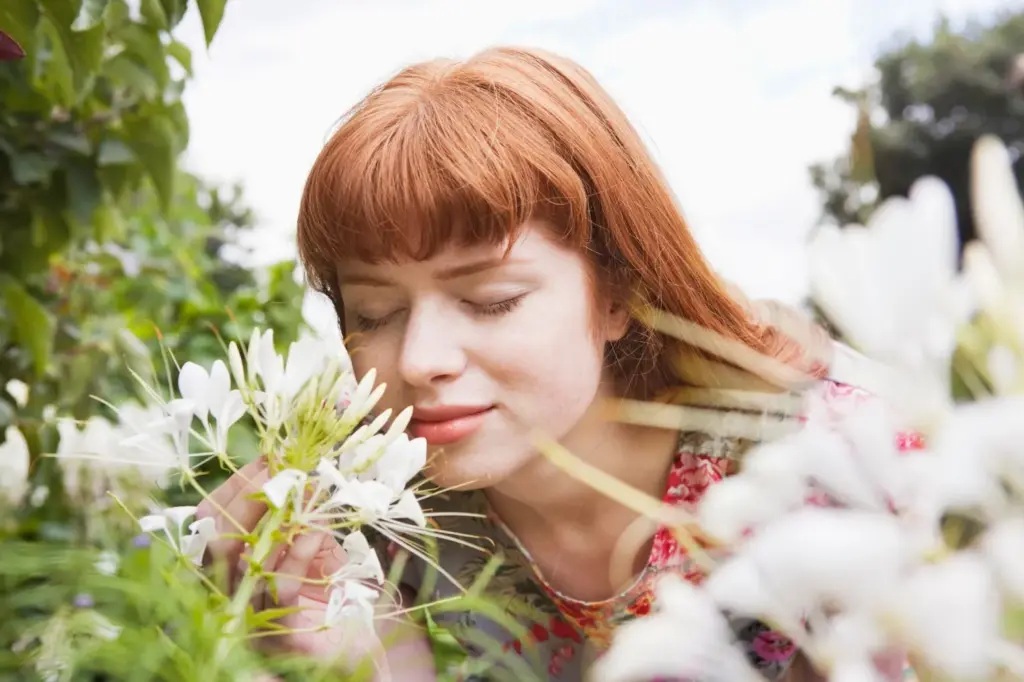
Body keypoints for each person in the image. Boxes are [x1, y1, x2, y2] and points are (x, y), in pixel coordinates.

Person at [197, 47, 911, 681]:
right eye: (374, 314)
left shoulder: (833, 464)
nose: (420, 361)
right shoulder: (367, 526)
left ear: (618, 291)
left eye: (490, 299)